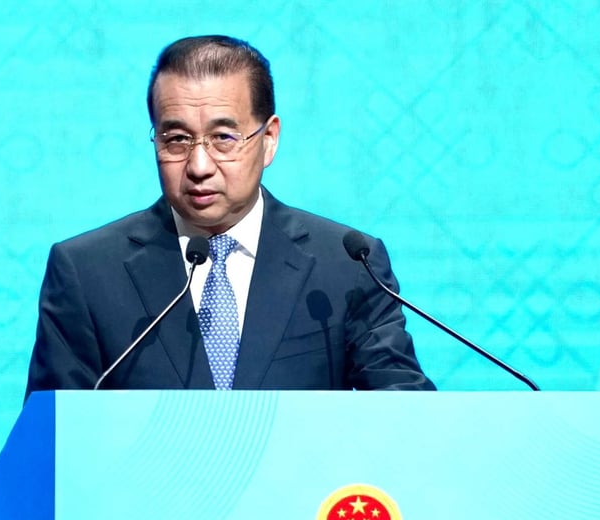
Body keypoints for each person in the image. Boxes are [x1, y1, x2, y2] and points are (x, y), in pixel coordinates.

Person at [25, 35, 434, 394]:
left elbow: (405, 419)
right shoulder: (87, 273)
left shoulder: (346, 266)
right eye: (177, 139)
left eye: (223, 138)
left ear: (268, 139)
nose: (199, 165)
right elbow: (48, 447)